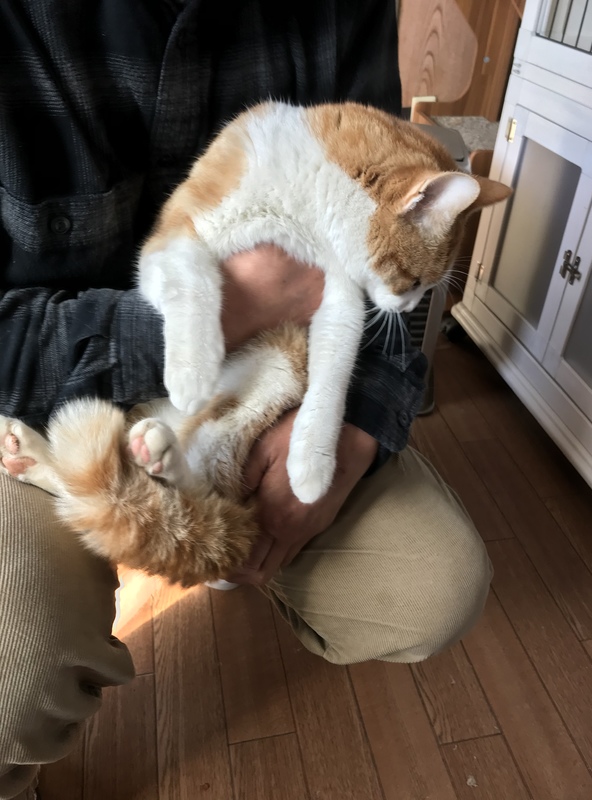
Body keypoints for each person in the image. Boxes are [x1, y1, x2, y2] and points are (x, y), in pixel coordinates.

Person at [0, 1, 492, 797]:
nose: (404, 303)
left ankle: (193, 525)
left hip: (250, 382)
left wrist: (359, 427)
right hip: (36, 382)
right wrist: (238, 304)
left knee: (435, 586)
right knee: (14, 671)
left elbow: (377, 262)